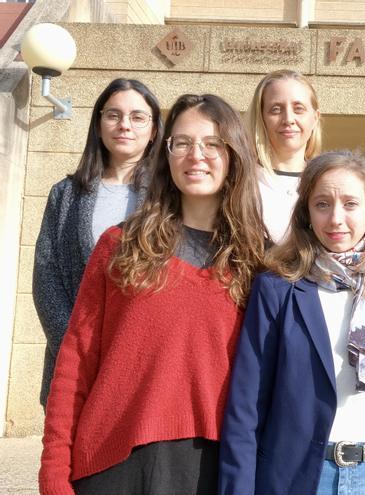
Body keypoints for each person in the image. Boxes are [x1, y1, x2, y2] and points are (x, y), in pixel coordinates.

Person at [39, 94, 267, 494]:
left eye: (213, 143)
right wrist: (55, 472)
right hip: (113, 464)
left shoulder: (258, 263)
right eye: (182, 143)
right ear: (165, 154)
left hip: (212, 469)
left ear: (234, 155)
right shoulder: (119, 245)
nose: (196, 155)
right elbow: (74, 363)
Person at [219, 152, 365, 494]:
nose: (336, 218)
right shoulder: (278, 290)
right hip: (300, 480)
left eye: (350, 204)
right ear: (306, 214)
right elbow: (246, 408)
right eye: (322, 204)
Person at [32, 78, 163, 407]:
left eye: (137, 117)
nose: (125, 126)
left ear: (154, 129)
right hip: (77, 361)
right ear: (99, 123)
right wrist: (77, 349)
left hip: (145, 363)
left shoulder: (168, 198)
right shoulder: (66, 195)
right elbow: (46, 278)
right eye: (113, 115)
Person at [246, 70, 322, 243]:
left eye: (298, 109)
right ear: (261, 118)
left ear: (315, 118)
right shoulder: (241, 183)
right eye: (276, 109)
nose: (288, 119)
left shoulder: (328, 181)